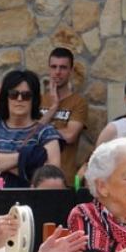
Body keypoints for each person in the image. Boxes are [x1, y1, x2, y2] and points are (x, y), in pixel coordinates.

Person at [0, 70, 62, 188]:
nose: (19, 99)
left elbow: (51, 177)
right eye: (13, 94)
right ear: (6, 97)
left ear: (34, 99)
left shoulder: (46, 133)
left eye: (26, 95)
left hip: (31, 202)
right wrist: (28, 160)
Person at [37, 47, 89, 184]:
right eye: (54, 67)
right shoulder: (39, 100)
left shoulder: (79, 102)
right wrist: (53, 107)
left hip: (65, 178)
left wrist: (43, 130)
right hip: (37, 176)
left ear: (71, 71)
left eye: (63, 67)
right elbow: (31, 134)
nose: (57, 72)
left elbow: (70, 136)